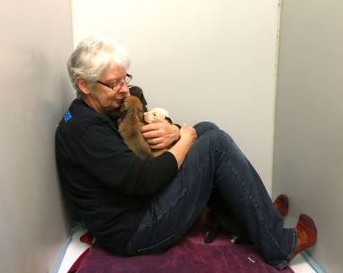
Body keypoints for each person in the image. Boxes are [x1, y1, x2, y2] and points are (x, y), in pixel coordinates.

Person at [55, 35, 317, 270]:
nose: (124, 90)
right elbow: (143, 180)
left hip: (139, 209)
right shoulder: (85, 131)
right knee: (215, 143)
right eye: (114, 84)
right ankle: (278, 244)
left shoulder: (97, 111)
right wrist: (184, 138)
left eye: (126, 79)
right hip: (137, 231)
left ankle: (254, 215)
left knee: (205, 129)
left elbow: (147, 146)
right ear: (84, 84)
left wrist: (174, 131)